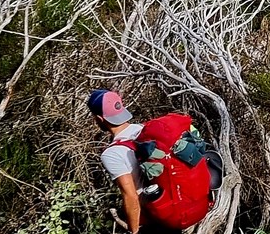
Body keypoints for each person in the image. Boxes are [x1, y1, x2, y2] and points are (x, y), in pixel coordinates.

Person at [88, 89, 219, 234]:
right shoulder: (146, 131)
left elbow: (130, 196)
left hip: (154, 217)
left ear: (99, 119)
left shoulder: (112, 154)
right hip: (177, 205)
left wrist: (133, 231)